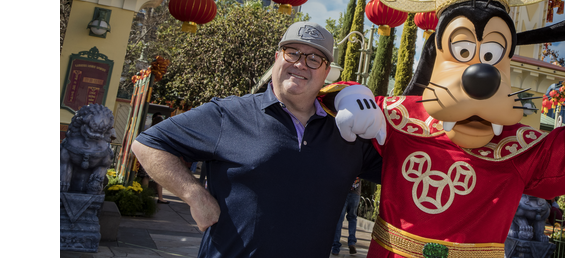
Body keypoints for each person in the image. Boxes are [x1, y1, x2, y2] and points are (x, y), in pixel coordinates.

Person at [131, 22, 383, 258]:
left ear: (327, 71)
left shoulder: (348, 131)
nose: (301, 64)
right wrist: (194, 194)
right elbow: (147, 143)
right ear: (277, 58)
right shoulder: (229, 113)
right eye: (292, 52)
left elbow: (407, 168)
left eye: (314, 58)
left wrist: (387, 108)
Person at [138, 114, 169, 204]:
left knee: (146, 176)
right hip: (157, 156)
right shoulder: (162, 133)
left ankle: (144, 195)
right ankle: (160, 197)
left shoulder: (148, 130)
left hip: (146, 155)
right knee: (159, 177)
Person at [332, 177, 362, 256]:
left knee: (339, 219)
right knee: (352, 218)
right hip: (356, 193)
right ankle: (352, 242)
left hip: (343, 192)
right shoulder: (360, 164)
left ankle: (336, 248)